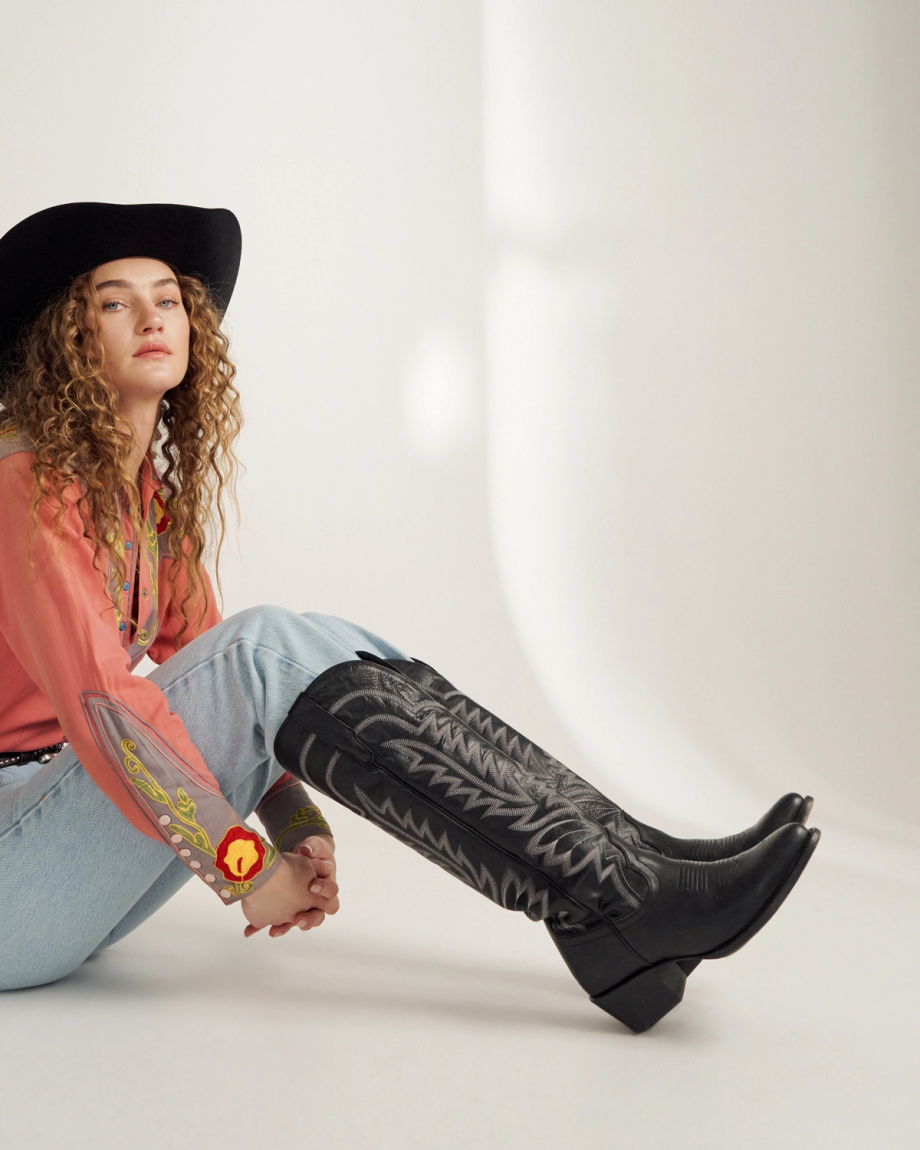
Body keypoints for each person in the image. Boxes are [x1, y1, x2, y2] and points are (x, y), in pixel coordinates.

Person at [0, 202, 819, 1032]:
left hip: (54, 848)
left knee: (316, 642)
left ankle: (631, 862)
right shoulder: (26, 483)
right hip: (12, 880)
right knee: (266, 647)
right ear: (67, 338)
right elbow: (109, 709)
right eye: (114, 302)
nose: (151, 318)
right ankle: (615, 907)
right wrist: (243, 868)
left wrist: (296, 821)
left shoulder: (143, 501)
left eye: (168, 298)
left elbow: (206, 662)